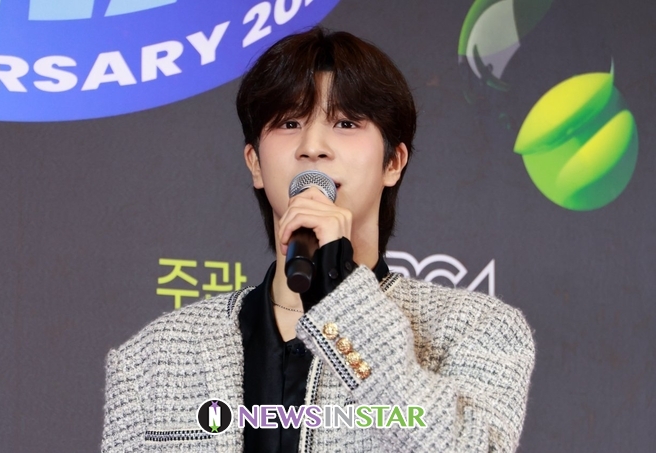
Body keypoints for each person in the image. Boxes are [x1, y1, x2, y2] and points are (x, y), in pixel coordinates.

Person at [102, 27, 535, 452]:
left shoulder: (475, 329)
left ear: (393, 162)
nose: (313, 146)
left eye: (345, 122)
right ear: (255, 164)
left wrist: (343, 302)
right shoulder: (154, 358)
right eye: (290, 122)